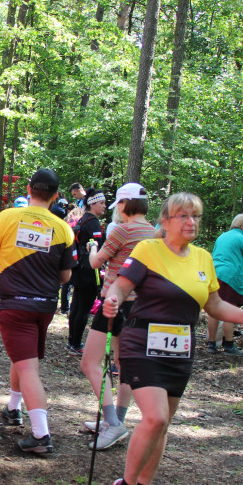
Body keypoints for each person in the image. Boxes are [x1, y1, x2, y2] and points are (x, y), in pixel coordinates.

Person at [102, 192, 243, 485]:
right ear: (165, 221)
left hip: (180, 348)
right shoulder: (148, 250)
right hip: (142, 341)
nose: (191, 221)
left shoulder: (203, 258)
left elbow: (214, 305)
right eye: (183, 215)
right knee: (155, 417)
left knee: (163, 424)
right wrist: (112, 300)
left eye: (195, 216)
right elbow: (120, 286)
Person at [0, 168, 75, 455]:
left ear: (29, 189)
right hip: (45, 306)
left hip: (16, 305)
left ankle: (41, 434)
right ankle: (13, 409)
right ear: (55, 196)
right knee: (24, 358)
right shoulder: (64, 228)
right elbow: (66, 277)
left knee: (27, 367)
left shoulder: (7, 218)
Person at [80, 182, 155, 451]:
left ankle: (113, 423)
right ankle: (117, 421)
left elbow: (96, 262)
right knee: (124, 365)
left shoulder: (123, 230)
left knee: (90, 362)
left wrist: (91, 248)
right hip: (141, 305)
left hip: (114, 301)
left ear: (125, 204)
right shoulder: (154, 232)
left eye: (119, 204)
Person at [206, 214, 243, 355]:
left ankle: (212, 344)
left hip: (215, 274)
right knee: (229, 311)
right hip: (231, 277)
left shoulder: (222, 236)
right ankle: (229, 345)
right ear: (242, 225)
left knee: (214, 310)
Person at [68, 188, 106, 354]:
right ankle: (76, 344)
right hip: (89, 270)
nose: (104, 206)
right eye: (101, 203)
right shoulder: (93, 223)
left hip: (78, 268)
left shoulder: (83, 219)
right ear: (92, 204)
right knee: (83, 308)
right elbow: (99, 248)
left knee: (76, 306)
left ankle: (72, 341)